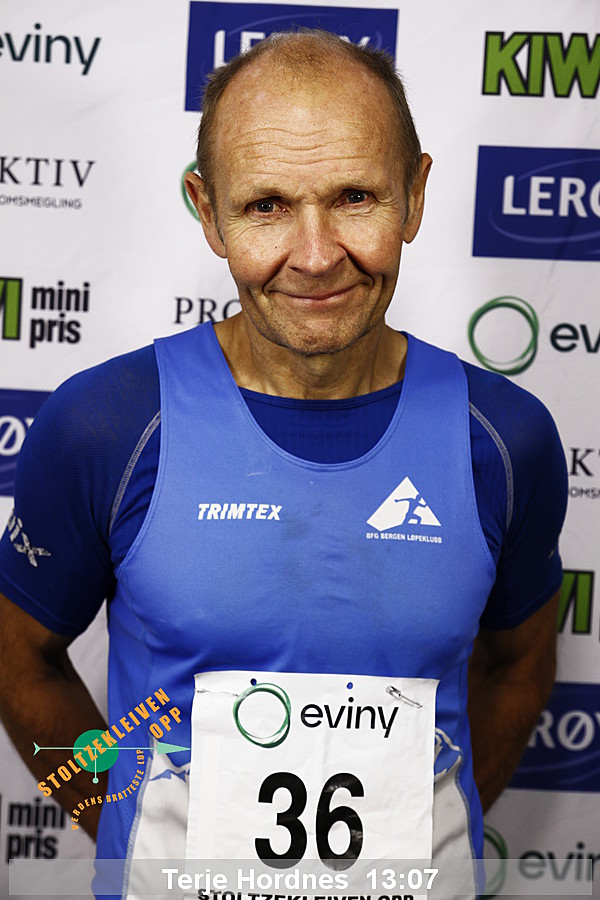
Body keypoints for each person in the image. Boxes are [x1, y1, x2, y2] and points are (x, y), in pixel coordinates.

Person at [0, 28, 567, 899]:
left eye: (355, 197)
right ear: (208, 211)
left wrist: (423, 833)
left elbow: (520, 665)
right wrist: (119, 820)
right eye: (266, 205)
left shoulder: (503, 438)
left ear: (415, 196)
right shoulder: (108, 425)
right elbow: (18, 658)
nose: (316, 255)